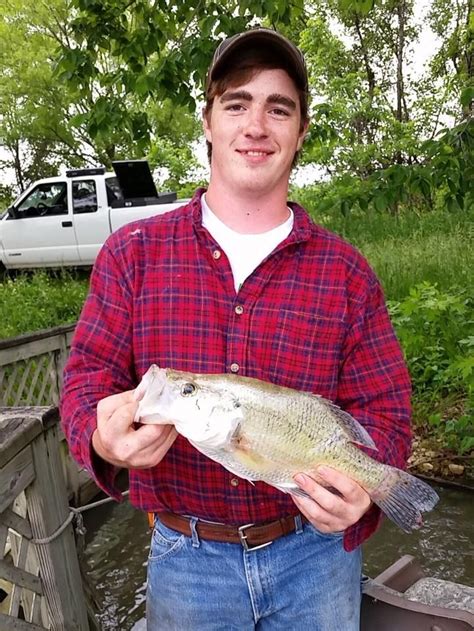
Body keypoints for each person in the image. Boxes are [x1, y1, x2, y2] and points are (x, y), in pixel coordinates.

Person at [60, 28, 412, 630]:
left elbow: (386, 413)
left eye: (279, 108)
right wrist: (100, 437)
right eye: (237, 103)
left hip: (317, 559)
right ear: (208, 122)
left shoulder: (348, 273)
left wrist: (365, 495)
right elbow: (86, 377)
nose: (256, 125)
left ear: (300, 133)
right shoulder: (132, 254)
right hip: (184, 559)